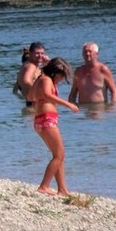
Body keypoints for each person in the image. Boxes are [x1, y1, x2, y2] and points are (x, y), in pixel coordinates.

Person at [27, 57, 80, 196]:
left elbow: (30, 96)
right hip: (46, 120)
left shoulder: (41, 79)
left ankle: (62, 189)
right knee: (59, 155)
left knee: (58, 155)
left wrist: (40, 95)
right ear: (56, 73)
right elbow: (47, 94)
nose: (61, 79)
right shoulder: (46, 80)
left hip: (41, 120)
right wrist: (68, 104)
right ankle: (44, 186)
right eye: (61, 76)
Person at [14, 42, 46, 106]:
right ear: (31, 53)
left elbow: (15, 91)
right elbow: (26, 81)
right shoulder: (31, 66)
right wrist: (41, 93)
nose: (40, 56)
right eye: (37, 53)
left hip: (31, 103)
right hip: (35, 104)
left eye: (42, 53)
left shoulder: (27, 65)